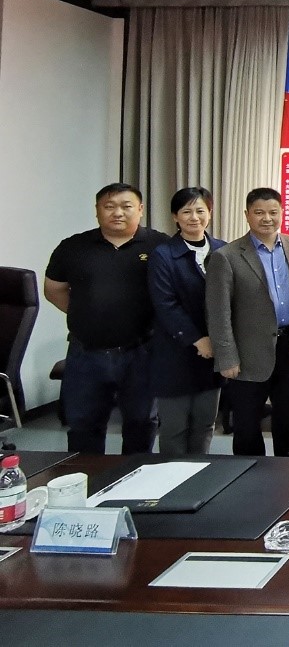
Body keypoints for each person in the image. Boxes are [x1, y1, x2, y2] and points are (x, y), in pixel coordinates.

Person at [44, 183, 166, 454]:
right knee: (83, 426)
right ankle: (88, 478)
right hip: (86, 353)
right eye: (109, 206)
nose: (117, 213)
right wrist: (87, 314)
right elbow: (54, 290)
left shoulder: (160, 245)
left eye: (126, 206)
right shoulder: (73, 247)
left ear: (141, 210)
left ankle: (135, 476)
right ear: (97, 210)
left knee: (141, 423)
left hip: (142, 351)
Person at [206, 187, 289, 458]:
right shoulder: (226, 256)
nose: (267, 218)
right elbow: (218, 312)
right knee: (247, 424)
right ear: (247, 215)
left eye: (273, 212)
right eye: (259, 212)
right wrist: (226, 357)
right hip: (247, 352)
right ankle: (250, 471)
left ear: (282, 213)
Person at [147, 186, 226, 455]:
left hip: (214, 352)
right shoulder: (163, 254)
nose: (194, 217)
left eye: (200, 211)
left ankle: (198, 470)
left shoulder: (223, 250)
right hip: (175, 352)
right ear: (175, 217)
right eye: (186, 211)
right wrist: (197, 339)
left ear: (210, 213)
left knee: (205, 422)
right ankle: (172, 474)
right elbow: (165, 304)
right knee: (175, 426)